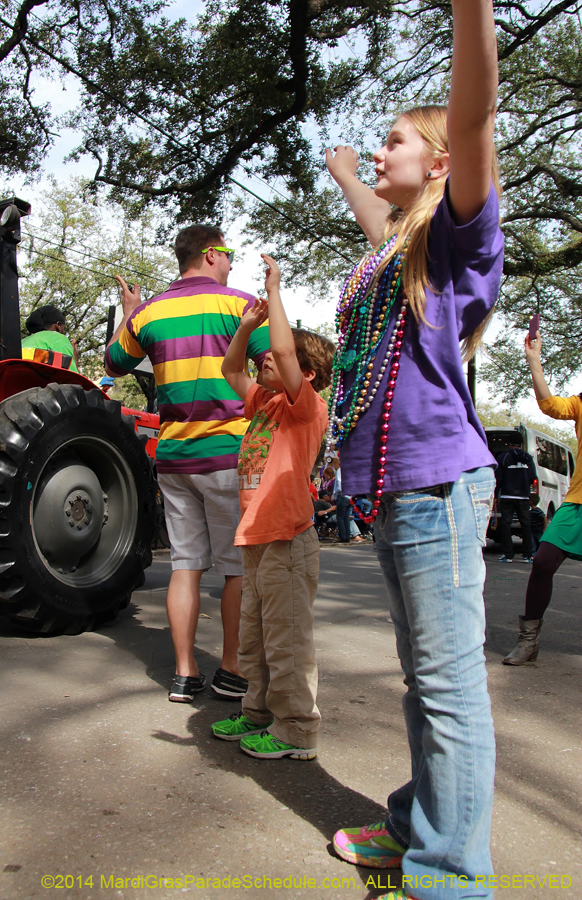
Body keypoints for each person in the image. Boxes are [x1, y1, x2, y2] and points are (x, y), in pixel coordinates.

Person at [324, 2, 502, 898]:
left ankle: (449, 876)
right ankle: (416, 825)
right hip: (401, 489)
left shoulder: (459, 236)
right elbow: (377, 220)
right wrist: (348, 175)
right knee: (425, 681)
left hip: (439, 486)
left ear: (437, 162)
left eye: (391, 140)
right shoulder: (399, 249)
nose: (378, 149)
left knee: (447, 687)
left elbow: (471, 116)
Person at [105, 225, 269, 703]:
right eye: (230, 254)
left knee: (185, 565)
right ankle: (232, 669)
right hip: (228, 456)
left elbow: (114, 362)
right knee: (236, 569)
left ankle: (183, 673)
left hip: (175, 458)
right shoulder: (238, 305)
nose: (233, 263)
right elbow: (271, 366)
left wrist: (131, 312)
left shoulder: (151, 312)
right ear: (212, 254)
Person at [211, 255, 335, 760]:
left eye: (278, 359)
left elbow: (282, 347)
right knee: (256, 637)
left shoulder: (306, 407)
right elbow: (231, 368)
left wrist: (276, 291)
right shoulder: (264, 403)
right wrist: (245, 326)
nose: (267, 357)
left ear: (304, 373)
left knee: (287, 642)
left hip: (287, 538)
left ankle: (297, 731)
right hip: (257, 538)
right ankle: (258, 712)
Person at [503, 330, 582, 666]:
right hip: (578, 503)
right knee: (544, 561)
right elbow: (550, 405)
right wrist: (534, 360)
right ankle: (529, 640)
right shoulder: (581, 402)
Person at [495, 435, 536, 563]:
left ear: (509, 443)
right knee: (526, 524)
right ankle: (527, 555)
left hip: (507, 495)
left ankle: (508, 555)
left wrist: (496, 494)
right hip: (523, 496)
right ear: (521, 444)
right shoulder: (528, 458)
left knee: (506, 524)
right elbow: (533, 476)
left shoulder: (504, 457)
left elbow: (499, 478)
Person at [21, 305, 79, 371]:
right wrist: (74, 359)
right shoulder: (58, 339)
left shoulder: (22, 342)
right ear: (58, 325)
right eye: (64, 328)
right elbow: (70, 378)